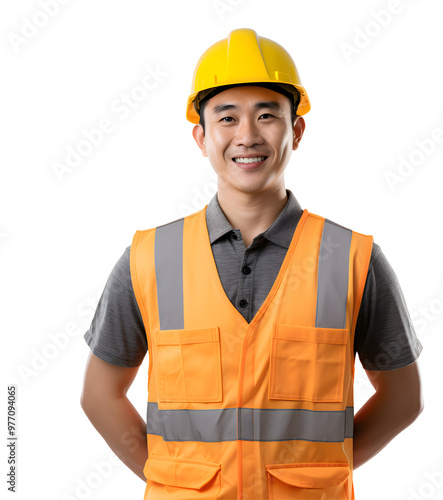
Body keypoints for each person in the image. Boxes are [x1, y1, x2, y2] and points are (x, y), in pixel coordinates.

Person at [80, 28, 423, 499]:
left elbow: (403, 399)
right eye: (227, 117)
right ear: (201, 136)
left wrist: (317, 476)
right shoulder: (149, 259)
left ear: (296, 130)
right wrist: (171, 477)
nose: (247, 135)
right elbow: (100, 394)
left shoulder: (352, 260)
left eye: (267, 115)